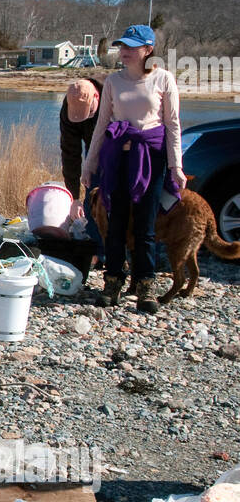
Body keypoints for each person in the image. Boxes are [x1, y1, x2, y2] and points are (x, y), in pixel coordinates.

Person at [81, 25, 184, 314]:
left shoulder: (163, 79)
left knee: (144, 226)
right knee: (115, 223)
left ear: (147, 50)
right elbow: (102, 125)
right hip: (118, 158)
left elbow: (172, 125)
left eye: (130, 47)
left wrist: (176, 166)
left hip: (151, 157)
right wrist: (90, 165)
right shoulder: (113, 81)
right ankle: (112, 281)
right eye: (121, 46)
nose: (123, 52)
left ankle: (145, 285)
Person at [59, 77, 105, 260]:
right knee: (90, 201)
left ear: (96, 96)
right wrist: (74, 197)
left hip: (115, 148)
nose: (80, 116)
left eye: (87, 111)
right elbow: (70, 153)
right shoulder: (68, 107)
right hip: (90, 150)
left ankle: (118, 251)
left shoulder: (112, 95)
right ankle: (95, 252)